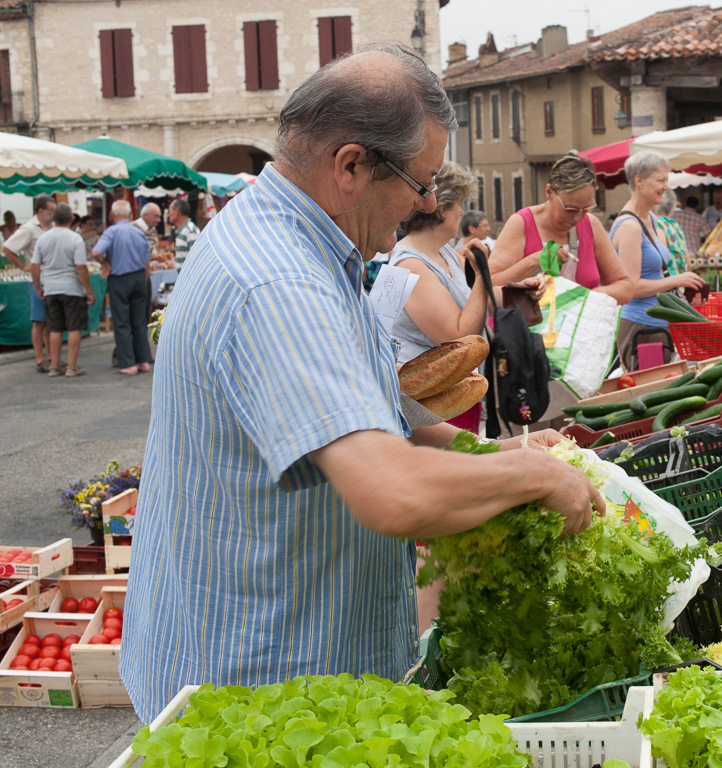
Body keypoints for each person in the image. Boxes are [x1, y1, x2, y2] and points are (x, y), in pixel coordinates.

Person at [120, 43, 603, 723]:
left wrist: (496, 455)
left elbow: (374, 417)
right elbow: (391, 491)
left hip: (268, 659)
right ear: (351, 165)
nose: (427, 203)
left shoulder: (295, 243)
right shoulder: (280, 281)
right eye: (420, 181)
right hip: (262, 684)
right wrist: (539, 480)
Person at [392, 162, 502, 434]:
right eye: (458, 205)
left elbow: (471, 305)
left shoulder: (445, 252)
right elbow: (459, 336)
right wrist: (480, 273)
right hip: (432, 404)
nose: (462, 212)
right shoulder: (409, 265)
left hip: (453, 394)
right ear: (442, 210)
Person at [488, 152, 633, 305]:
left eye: (586, 208)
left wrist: (584, 297)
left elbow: (626, 287)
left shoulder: (591, 224)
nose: (578, 218)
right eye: (570, 209)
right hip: (527, 327)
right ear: (549, 192)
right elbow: (490, 286)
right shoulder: (521, 223)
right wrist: (534, 261)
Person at [610, 151, 707, 371]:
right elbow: (631, 287)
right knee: (652, 395)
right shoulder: (630, 226)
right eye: (660, 180)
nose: (666, 187)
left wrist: (682, 299)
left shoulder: (650, 218)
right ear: (639, 181)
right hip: (642, 328)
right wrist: (676, 280)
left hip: (658, 326)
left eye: (666, 180)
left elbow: (655, 275)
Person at [29, 203, 94, 377]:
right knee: (74, 327)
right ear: (72, 219)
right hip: (71, 288)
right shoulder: (74, 238)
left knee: (54, 328)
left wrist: (37, 287)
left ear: (53, 218)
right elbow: (81, 267)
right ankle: (71, 366)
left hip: (50, 287)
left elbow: (35, 266)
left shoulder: (43, 238)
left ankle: (54, 365)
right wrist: (89, 290)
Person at [92, 200, 153, 375]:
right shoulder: (138, 232)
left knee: (122, 322)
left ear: (112, 215)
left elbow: (96, 252)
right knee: (139, 321)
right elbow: (146, 259)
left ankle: (127, 363)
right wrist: (144, 279)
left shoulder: (111, 232)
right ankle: (143, 361)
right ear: (130, 214)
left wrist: (104, 263)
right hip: (139, 278)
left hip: (120, 279)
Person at [3, 195, 56, 373]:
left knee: (50, 322)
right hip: (38, 281)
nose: (53, 213)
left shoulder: (52, 226)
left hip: (52, 279)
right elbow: (8, 248)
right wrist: (22, 266)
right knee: (39, 321)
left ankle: (51, 356)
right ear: (41, 211)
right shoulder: (29, 229)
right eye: (51, 210)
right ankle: (40, 359)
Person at [654, 190, 689, 276]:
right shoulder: (676, 226)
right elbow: (688, 264)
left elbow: (660, 260)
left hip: (666, 285)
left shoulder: (658, 224)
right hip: (681, 284)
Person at [672, 194, 710, 265]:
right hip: (694, 254)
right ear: (696, 206)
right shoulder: (700, 218)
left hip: (678, 251)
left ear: (685, 204)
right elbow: (709, 236)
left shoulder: (674, 215)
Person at [168, 198, 200, 266]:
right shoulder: (182, 230)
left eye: (170, 211)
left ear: (177, 211)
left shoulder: (190, 230)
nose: (169, 214)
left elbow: (196, 258)